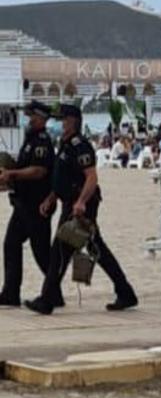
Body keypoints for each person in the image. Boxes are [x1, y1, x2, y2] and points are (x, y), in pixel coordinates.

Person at [25, 104, 139, 315]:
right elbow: (62, 177)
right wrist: (51, 198)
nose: (61, 123)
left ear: (73, 121)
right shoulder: (65, 143)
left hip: (80, 206)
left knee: (60, 250)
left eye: (64, 120)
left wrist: (81, 202)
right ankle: (125, 292)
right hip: (69, 202)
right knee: (97, 250)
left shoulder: (80, 145)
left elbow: (91, 178)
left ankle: (47, 300)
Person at [0, 102, 55, 307]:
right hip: (23, 203)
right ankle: (10, 293)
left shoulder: (42, 141)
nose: (28, 119)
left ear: (40, 118)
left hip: (37, 204)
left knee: (41, 252)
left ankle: (53, 293)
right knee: (11, 244)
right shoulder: (30, 139)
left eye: (31, 116)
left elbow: (39, 171)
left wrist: (12, 173)